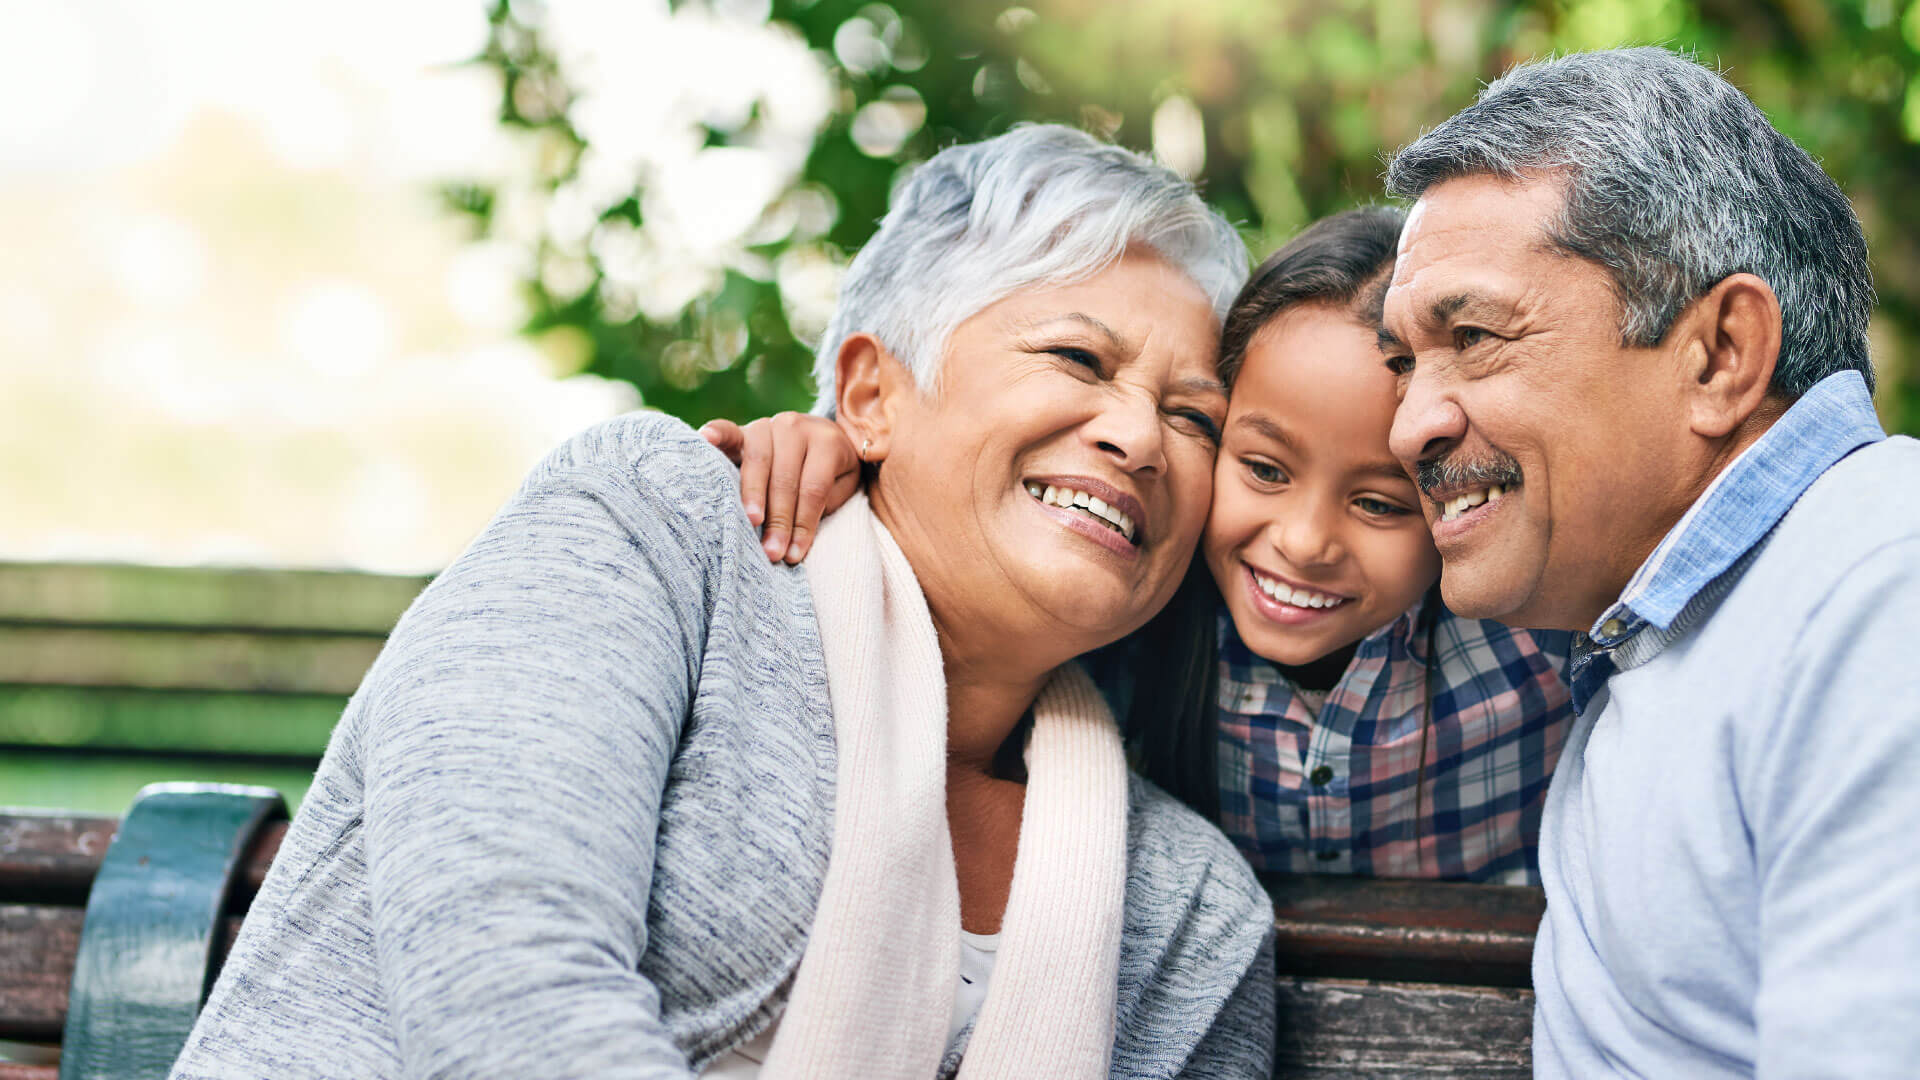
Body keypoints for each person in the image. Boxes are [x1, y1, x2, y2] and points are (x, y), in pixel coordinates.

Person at [169, 125, 1276, 1080]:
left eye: (1195, 418)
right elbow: (501, 973)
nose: (1139, 437)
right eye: (1080, 359)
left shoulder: (1185, 910)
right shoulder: (661, 534)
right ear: (870, 395)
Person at [707, 207, 1574, 884]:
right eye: (1264, 470)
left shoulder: (1536, 643)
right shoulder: (1121, 621)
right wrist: (835, 449)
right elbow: (959, 547)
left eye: (1381, 505)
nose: (1305, 543)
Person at [1377, 47, 1920, 1077]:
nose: (1409, 426)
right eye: (1403, 362)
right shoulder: (1654, 642)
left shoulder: (1881, 589)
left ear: (1719, 354)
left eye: (1477, 337)